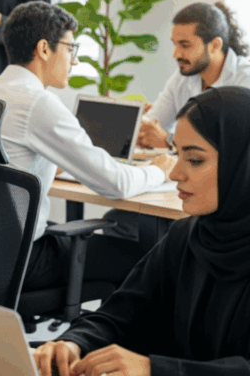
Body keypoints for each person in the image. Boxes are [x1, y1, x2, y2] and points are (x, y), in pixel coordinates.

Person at [0, 1, 176, 293]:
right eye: (71, 49)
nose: (74, 61)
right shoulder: (38, 103)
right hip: (23, 259)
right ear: (44, 49)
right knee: (146, 258)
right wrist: (158, 170)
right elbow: (116, 183)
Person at [34, 86, 250, 376]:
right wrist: (74, 342)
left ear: (242, 165)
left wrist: (155, 369)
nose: (175, 173)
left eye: (195, 159)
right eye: (177, 154)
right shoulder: (186, 237)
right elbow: (121, 314)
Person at [139, 1, 250, 149]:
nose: (176, 54)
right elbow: (154, 120)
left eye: (185, 45)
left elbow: (232, 145)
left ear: (214, 46)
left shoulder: (244, 80)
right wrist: (142, 131)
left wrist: (169, 141)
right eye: (175, 44)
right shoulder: (184, 76)